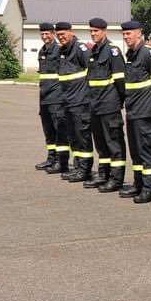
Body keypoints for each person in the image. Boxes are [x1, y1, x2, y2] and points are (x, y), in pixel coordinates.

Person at [120, 20, 151, 203]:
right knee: (136, 152)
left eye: (129, 34)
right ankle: (138, 185)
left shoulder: (148, 54)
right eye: (124, 35)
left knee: (146, 151)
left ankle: (149, 189)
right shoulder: (130, 54)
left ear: (139, 33)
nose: (126, 37)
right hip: (132, 110)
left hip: (145, 111)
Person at [84, 17, 127, 191]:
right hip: (95, 105)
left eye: (96, 31)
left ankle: (116, 180)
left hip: (109, 105)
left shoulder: (113, 51)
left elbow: (120, 82)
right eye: (91, 31)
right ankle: (104, 175)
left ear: (104, 31)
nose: (93, 34)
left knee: (114, 144)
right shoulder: (94, 52)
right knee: (101, 145)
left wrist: (118, 102)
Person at [55, 21, 93, 183]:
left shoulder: (80, 49)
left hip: (80, 102)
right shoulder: (62, 50)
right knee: (73, 137)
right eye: (58, 35)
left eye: (63, 34)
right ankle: (78, 167)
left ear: (71, 32)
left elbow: (91, 72)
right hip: (67, 102)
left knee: (82, 136)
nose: (61, 37)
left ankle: (85, 170)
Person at [35, 22, 69, 173]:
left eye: (47, 33)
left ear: (53, 34)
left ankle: (60, 161)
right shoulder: (42, 52)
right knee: (48, 129)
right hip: (44, 96)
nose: (45, 36)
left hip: (56, 96)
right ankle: (51, 158)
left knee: (59, 129)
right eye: (42, 34)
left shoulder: (59, 50)